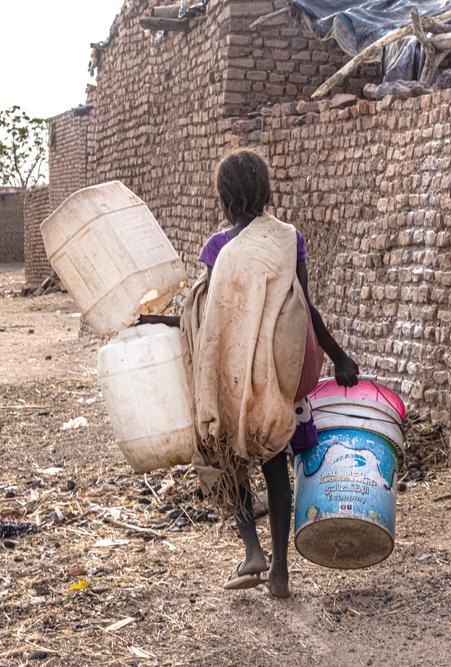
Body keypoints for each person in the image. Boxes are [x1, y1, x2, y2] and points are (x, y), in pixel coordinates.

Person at [141, 150, 359, 599]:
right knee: (275, 461)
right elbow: (302, 307)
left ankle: (251, 551)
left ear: (223, 198)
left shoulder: (217, 248)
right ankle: (280, 571)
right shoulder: (287, 239)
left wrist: (162, 323)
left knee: (226, 459)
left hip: (230, 374)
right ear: (266, 191)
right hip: (279, 371)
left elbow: (210, 320)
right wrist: (339, 356)